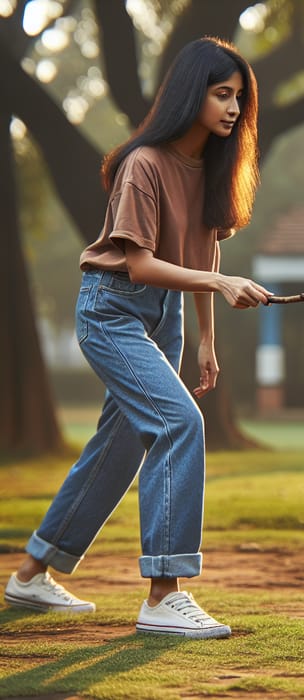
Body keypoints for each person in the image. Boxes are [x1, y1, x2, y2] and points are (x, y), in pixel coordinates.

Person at [3, 37, 271, 639]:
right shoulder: (143, 164)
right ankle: (164, 592)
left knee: (118, 449)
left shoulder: (211, 170)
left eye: (239, 99)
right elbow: (142, 265)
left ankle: (30, 572)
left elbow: (207, 245)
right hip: (112, 313)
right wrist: (222, 283)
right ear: (190, 93)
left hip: (166, 319)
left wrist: (208, 339)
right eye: (221, 93)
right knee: (180, 424)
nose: (232, 108)